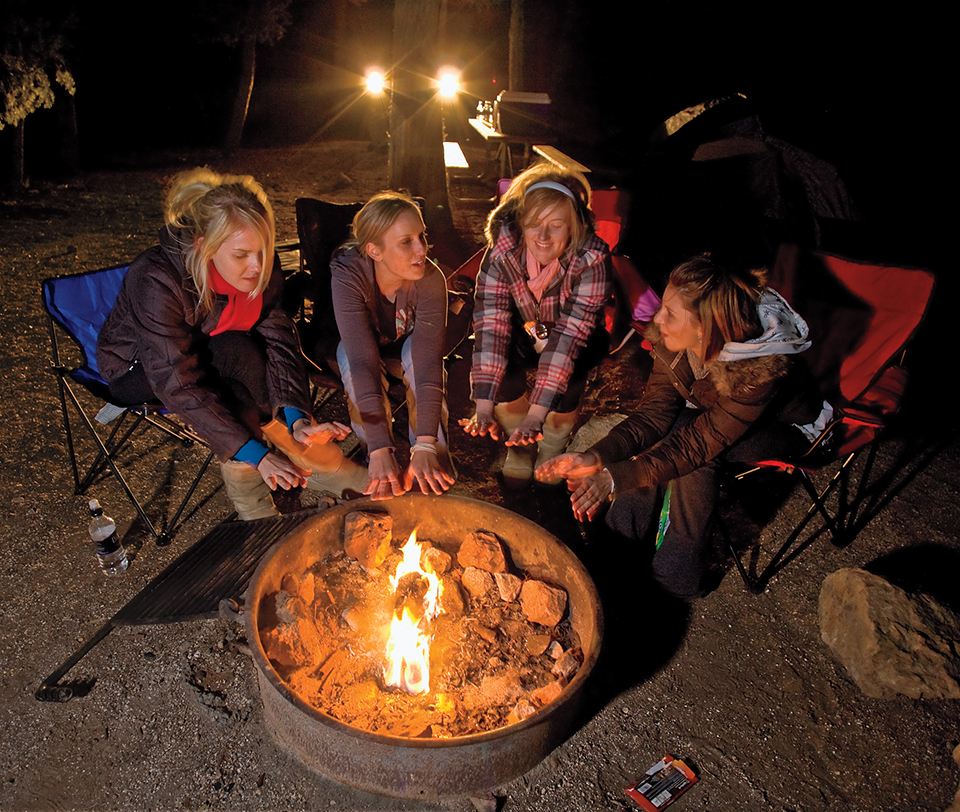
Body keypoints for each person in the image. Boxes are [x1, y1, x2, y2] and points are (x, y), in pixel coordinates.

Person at [536, 255, 829, 600]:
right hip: (709, 412)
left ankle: (675, 577)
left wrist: (614, 478)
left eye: (670, 314)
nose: (657, 318)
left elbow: (698, 446)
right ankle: (618, 548)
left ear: (705, 327)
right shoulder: (676, 341)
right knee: (673, 427)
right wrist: (596, 456)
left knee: (695, 452)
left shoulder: (757, 368)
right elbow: (653, 415)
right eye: (663, 305)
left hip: (787, 429)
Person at [97, 168, 367, 520]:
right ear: (203, 246)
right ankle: (255, 496)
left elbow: (281, 339)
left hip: (212, 348)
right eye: (241, 255)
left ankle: (308, 454)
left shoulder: (260, 266)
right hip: (137, 366)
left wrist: (297, 415)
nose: (257, 266)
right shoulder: (155, 278)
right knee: (228, 359)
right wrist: (256, 452)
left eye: (262, 251)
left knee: (244, 349)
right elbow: (175, 379)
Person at [460, 163, 612, 487]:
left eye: (555, 226)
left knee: (567, 386)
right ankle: (520, 448)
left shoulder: (592, 260)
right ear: (520, 223)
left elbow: (568, 339)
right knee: (503, 380)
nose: (542, 237)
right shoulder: (503, 253)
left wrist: (536, 416)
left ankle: (551, 449)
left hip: (571, 332)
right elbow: (490, 322)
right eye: (534, 225)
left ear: (573, 227)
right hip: (523, 325)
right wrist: (483, 404)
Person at [329, 191, 455, 501]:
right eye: (406, 242)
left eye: (421, 236)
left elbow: (426, 361)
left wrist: (424, 443)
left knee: (418, 356)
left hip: (406, 347)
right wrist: (379, 447)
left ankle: (430, 463)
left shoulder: (430, 279)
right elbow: (362, 360)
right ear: (375, 251)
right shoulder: (348, 274)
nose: (421, 249)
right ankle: (378, 463)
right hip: (360, 346)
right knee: (348, 357)